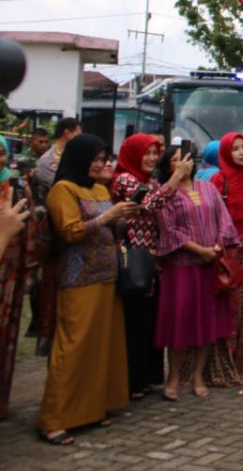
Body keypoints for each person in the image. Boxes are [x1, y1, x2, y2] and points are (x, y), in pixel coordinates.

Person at [37, 134, 134, 445]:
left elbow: (106, 228)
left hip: (106, 277)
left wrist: (122, 218)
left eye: (104, 159)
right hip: (78, 279)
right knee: (72, 347)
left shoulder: (100, 189)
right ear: (79, 159)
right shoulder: (62, 190)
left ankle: (90, 411)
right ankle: (54, 418)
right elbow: (69, 232)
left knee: (100, 347)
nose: (101, 164)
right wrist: (107, 216)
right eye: (95, 159)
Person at [149, 143, 240, 400]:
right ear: (168, 166)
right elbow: (169, 230)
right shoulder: (166, 193)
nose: (183, 164)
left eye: (185, 158)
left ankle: (199, 375)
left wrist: (217, 246)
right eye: (176, 160)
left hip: (211, 265)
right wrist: (198, 250)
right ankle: (174, 377)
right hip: (182, 268)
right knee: (179, 322)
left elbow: (224, 218)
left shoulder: (207, 187)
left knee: (208, 322)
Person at [202, 132, 243, 387]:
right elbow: (212, 216)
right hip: (226, 249)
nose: (241, 152)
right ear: (226, 153)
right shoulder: (218, 180)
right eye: (235, 148)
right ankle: (221, 365)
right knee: (227, 305)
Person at [110, 133, 165, 400]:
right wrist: (175, 182)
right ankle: (129, 380)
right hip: (131, 258)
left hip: (150, 260)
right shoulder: (124, 179)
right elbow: (145, 206)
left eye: (155, 153)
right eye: (147, 153)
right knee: (133, 321)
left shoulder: (152, 181)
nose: (153, 158)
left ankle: (142, 378)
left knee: (146, 321)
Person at [0, 137, 35, 420]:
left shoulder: (18, 188)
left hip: (10, 272)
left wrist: (28, 267)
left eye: (1, 153)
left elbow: (30, 228)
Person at [34, 118, 82, 202]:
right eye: (78, 135)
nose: (81, 139)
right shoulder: (47, 160)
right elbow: (61, 188)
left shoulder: (77, 155)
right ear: (67, 133)